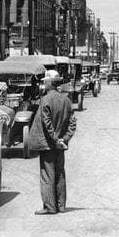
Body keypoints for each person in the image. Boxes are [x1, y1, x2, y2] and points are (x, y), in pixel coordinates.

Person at [26, 77, 77, 214]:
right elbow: (72, 123)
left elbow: (46, 123)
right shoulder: (66, 100)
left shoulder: (46, 100)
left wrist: (55, 139)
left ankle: (50, 207)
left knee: (48, 175)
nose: (43, 85)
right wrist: (64, 139)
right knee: (60, 174)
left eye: (45, 82)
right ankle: (61, 206)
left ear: (50, 84)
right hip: (59, 145)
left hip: (48, 144)